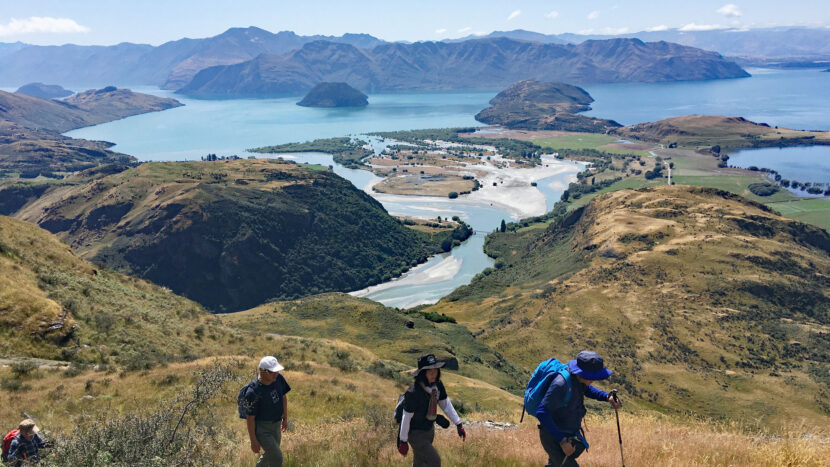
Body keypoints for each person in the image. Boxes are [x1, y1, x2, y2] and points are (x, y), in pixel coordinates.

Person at [535, 351, 622, 467]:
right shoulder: (560, 384)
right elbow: (542, 412)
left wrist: (607, 397)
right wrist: (562, 441)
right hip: (554, 438)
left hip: (567, 434)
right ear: (582, 373)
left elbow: (588, 389)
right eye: (591, 377)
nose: (593, 380)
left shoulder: (578, 379)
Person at [398, 353, 466, 466]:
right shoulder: (413, 392)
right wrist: (403, 440)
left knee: (419, 463)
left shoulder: (437, 386)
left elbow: (445, 404)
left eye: (435, 370)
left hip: (429, 431)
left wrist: (458, 424)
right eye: (429, 371)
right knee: (435, 461)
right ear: (422, 373)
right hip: (415, 434)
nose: (433, 373)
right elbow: (406, 416)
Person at [242, 356, 291, 467]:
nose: (276, 373)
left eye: (277, 370)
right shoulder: (253, 392)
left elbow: (283, 397)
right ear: (262, 371)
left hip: (276, 424)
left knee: (271, 454)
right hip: (262, 429)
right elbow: (250, 419)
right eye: (273, 371)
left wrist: (285, 418)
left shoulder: (279, 379)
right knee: (277, 456)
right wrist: (253, 440)